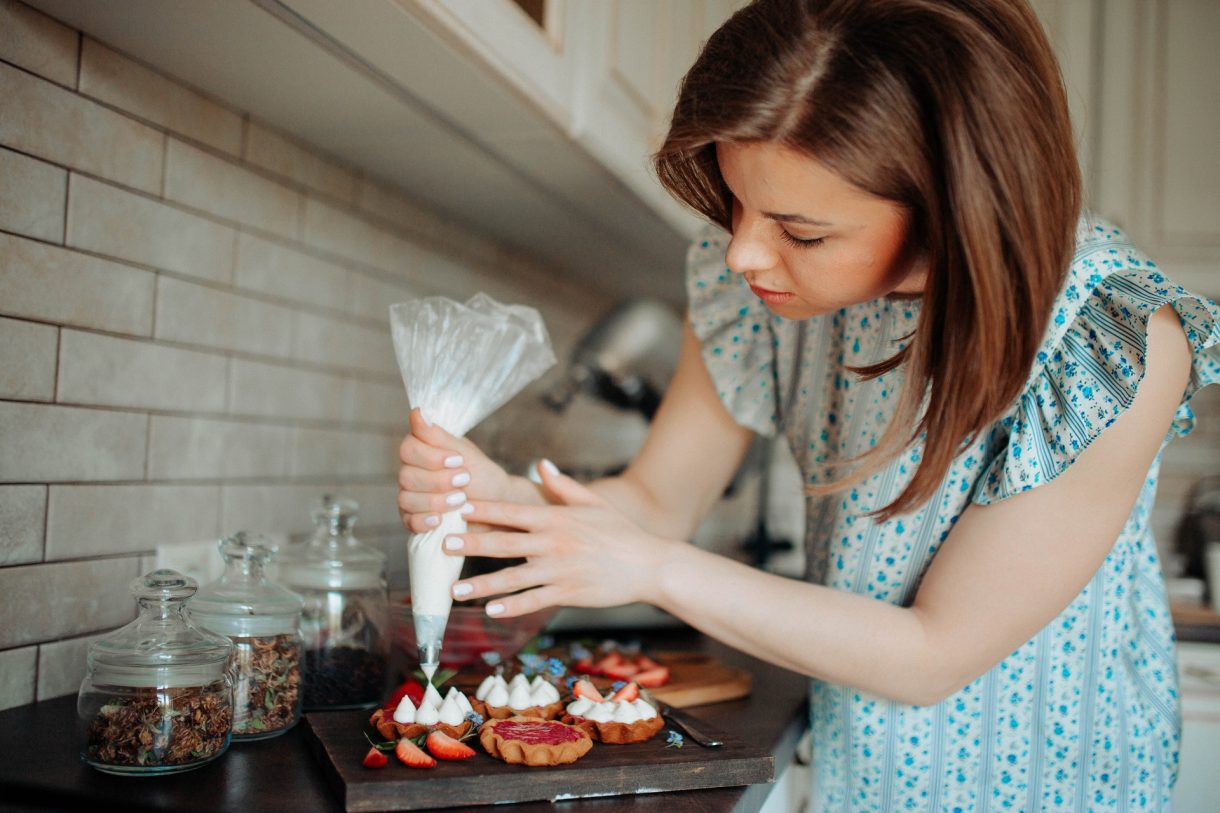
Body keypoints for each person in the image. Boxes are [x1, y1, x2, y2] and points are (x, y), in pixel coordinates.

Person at [397, 0, 1220, 809]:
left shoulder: (1111, 340)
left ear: (948, 207)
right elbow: (656, 500)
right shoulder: (758, 284)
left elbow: (932, 651)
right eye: (736, 204)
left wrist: (651, 567)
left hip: (1050, 786)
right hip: (859, 767)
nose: (745, 251)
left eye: (803, 231)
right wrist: (510, 503)